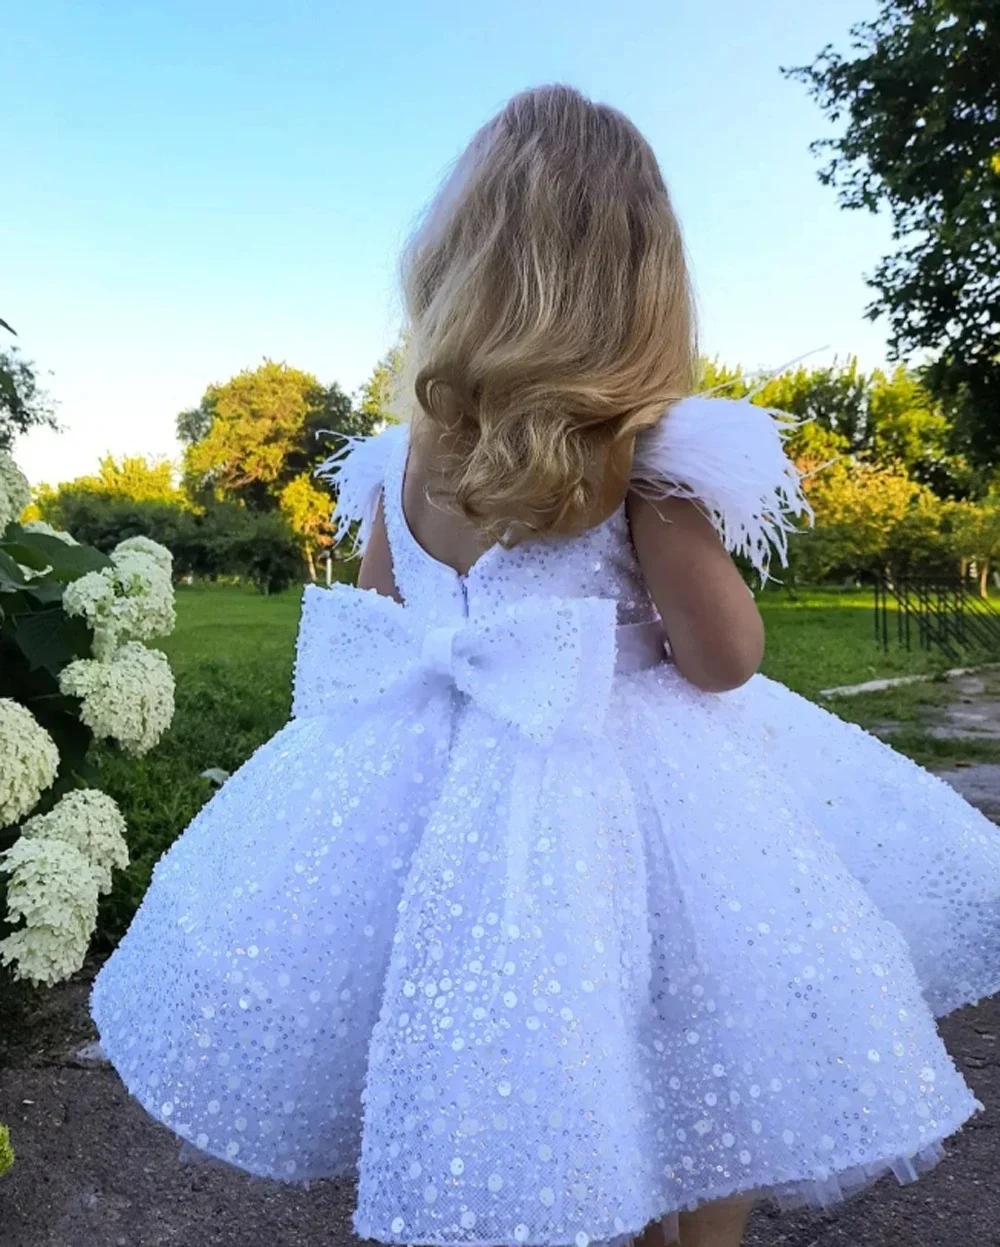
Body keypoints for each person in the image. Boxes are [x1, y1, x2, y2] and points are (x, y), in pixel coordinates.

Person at [92, 86, 1000, 1247]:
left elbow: (385, 629)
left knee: (525, 1026)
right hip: (639, 789)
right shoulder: (643, 459)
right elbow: (724, 658)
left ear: (456, 262)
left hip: (442, 787)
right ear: (639, 281)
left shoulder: (397, 462)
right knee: (698, 1014)